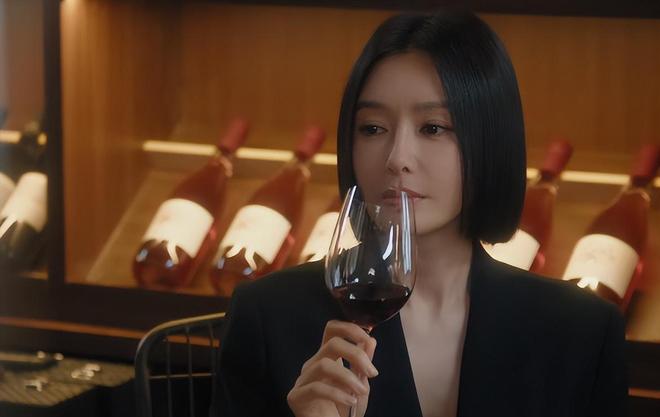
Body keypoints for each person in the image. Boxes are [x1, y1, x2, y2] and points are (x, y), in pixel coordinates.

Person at [213, 11, 628, 417]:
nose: (397, 158)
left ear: (489, 143)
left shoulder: (582, 331)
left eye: (433, 128)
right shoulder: (266, 316)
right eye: (373, 128)